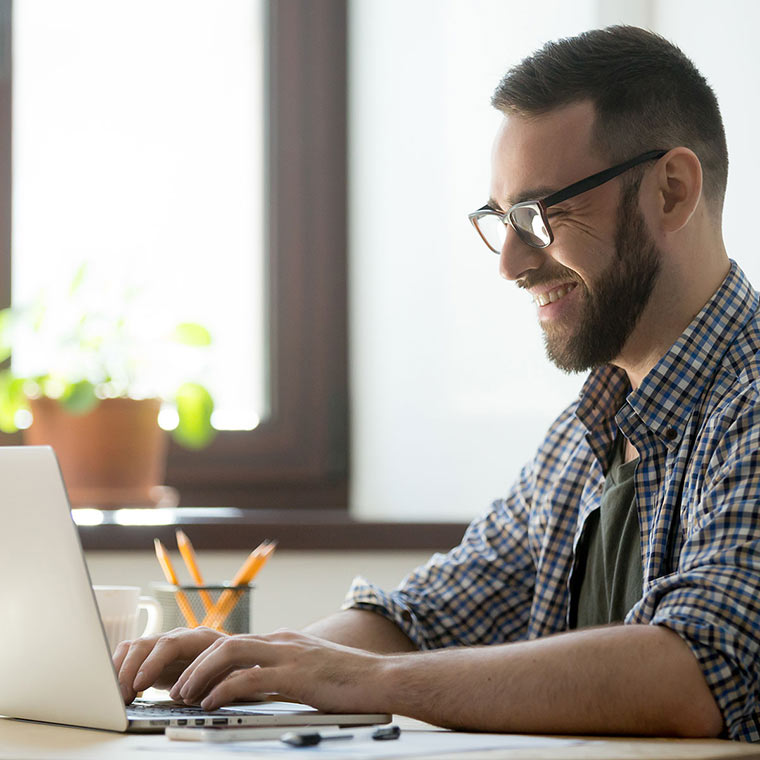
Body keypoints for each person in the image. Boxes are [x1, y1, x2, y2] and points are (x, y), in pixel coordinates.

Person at [115, 25, 760, 741]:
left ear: (671, 192)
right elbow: (430, 616)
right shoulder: (589, 433)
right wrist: (256, 663)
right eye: (500, 218)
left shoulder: (752, 404)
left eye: (540, 215)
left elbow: (703, 666)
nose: (511, 263)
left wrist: (359, 680)